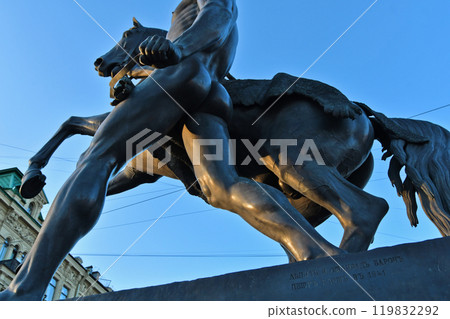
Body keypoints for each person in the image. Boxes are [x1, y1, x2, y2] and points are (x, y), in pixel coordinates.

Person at [0, 0, 342, 300]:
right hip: (211, 93)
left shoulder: (195, 16)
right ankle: (316, 251)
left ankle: (25, 290)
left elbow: (218, 14)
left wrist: (178, 48)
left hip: (179, 74)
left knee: (96, 158)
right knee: (220, 187)